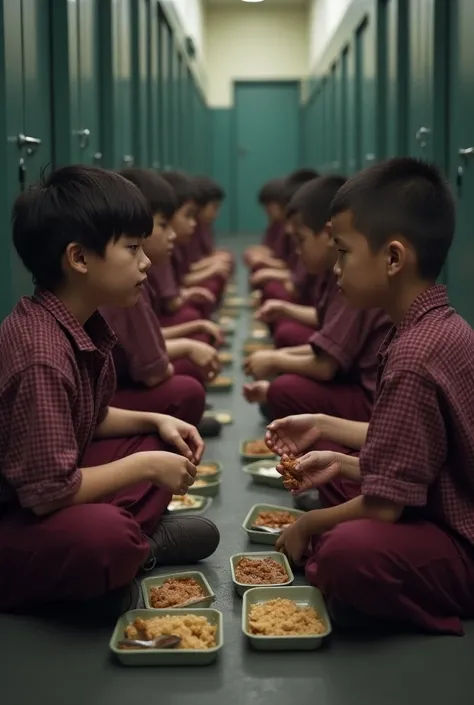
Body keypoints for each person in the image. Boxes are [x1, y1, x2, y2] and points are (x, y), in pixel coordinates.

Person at [267, 157, 474, 635]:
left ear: (394, 258)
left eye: (344, 252)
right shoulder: (430, 327)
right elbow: (422, 462)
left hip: (460, 541)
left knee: (348, 552)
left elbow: (384, 508)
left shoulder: (416, 356)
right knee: (340, 486)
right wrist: (340, 462)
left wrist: (305, 527)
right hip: (436, 504)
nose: (336, 268)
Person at [0, 166, 219, 617]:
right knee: (104, 538)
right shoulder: (40, 352)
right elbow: (48, 494)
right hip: (19, 514)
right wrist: (143, 465)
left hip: (46, 495)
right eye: (133, 248)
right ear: (79, 258)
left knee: (163, 442)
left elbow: (91, 417)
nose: (147, 263)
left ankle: (128, 550)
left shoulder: (71, 322)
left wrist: (155, 421)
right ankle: (130, 550)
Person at [244, 175, 390, 429]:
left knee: (284, 387)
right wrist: (275, 356)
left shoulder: (357, 280)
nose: (297, 251)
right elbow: (325, 340)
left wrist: (275, 360)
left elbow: (325, 365)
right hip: (351, 381)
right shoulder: (341, 271)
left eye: (300, 240)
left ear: (328, 233)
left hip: (370, 406)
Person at [100, 168, 220, 436]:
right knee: (186, 388)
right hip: (102, 409)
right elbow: (153, 371)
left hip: (102, 403)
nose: (175, 234)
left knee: (193, 343)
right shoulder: (124, 282)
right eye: (164, 224)